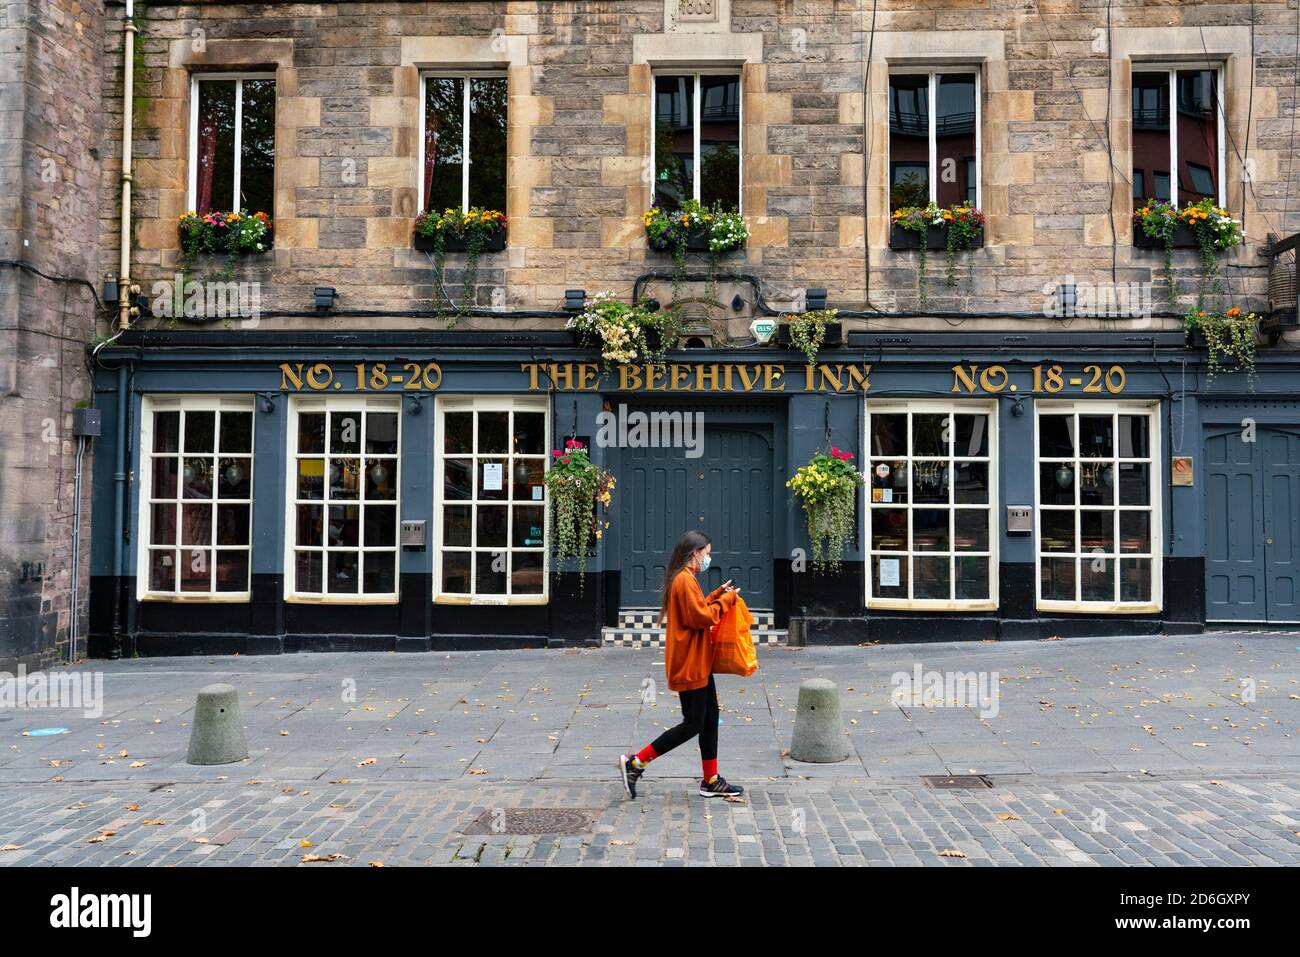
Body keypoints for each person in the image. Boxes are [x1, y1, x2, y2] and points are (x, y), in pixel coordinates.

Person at [619, 530, 743, 799]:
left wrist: (715, 595)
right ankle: (635, 764)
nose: (708, 558)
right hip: (691, 664)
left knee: (710, 718)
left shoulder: (686, 579)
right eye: (707, 553)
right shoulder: (684, 581)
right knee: (693, 723)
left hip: (698, 661)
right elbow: (701, 618)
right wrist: (727, 600)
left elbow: (694, 610)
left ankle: (711, 780)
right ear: (694, 553)